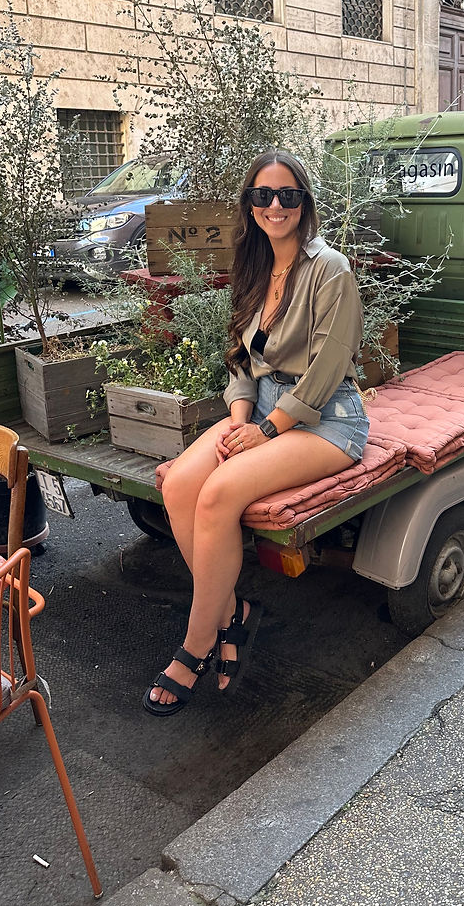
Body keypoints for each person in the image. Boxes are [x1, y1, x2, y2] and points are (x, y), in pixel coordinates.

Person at [144, 149, 369, 715]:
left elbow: (326, 371)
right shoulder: (253, 266)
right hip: (262, 413)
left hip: (324, 419)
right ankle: (230, 615)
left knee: (218, 494)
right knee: (178, 486)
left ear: (304, 203)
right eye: (263, 195)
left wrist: (266, 430)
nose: (276, 206)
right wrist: (242, 418)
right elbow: (242, 361)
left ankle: (197, 647)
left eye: (288, 195)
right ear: (250, 205)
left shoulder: (330, 270)